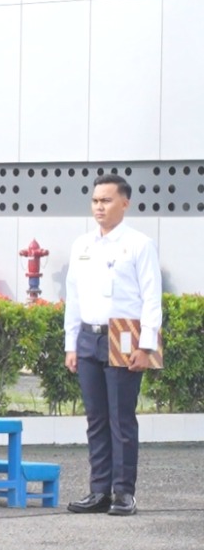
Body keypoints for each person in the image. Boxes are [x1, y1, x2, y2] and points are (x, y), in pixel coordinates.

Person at [63, 174, 162, 517]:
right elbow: (74, 298)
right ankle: (98, 490)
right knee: (95, 418)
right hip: (89, 337)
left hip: (124, 336)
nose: (99, 207)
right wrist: (70, 344)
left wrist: (147, 346)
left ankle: (123, 492)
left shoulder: (139, 244)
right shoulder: (83, 245)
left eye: (106, 200)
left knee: (121, 418)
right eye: (95, 201)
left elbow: (151, 298)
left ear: (125, 203)